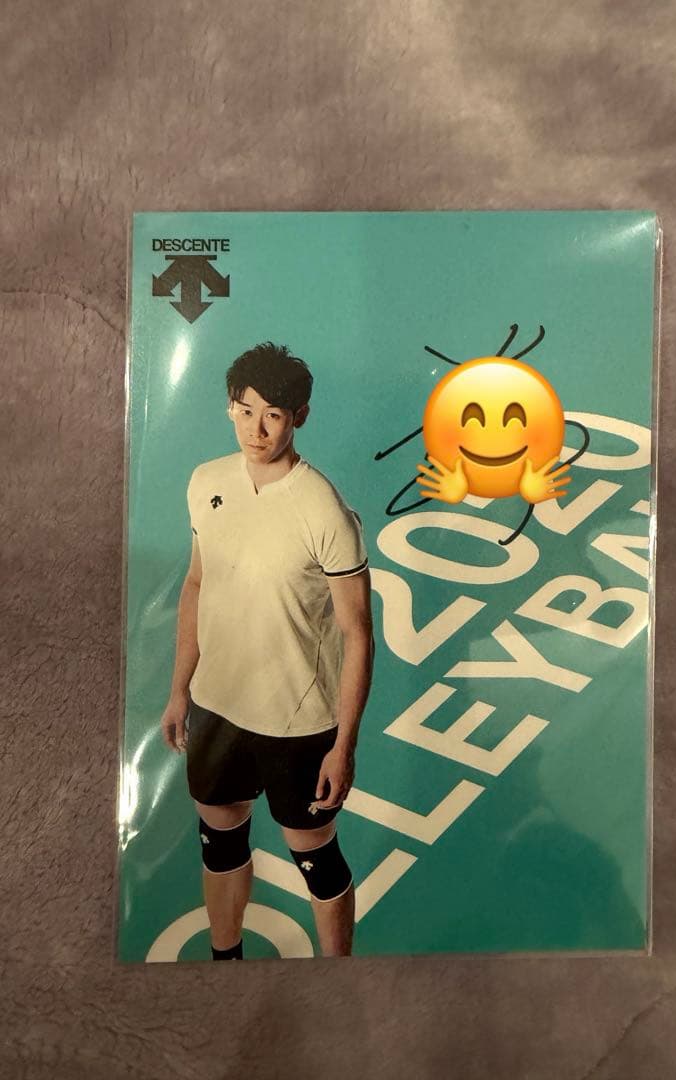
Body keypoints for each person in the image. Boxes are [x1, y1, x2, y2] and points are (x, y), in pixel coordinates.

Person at [159, 341, 374, 960]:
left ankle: (336, 982)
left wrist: (343, 746)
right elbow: (197, 584)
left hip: (295, 720)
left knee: (315, 856)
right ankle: (225, 961)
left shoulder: (325, 511)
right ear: (230, 406)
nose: (256, 429)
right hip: (217, 705)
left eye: (273, 415)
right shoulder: (206, 481)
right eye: (245, 410)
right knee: (220, 840)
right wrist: (179, 691)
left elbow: (358, 633)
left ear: (298, 417)